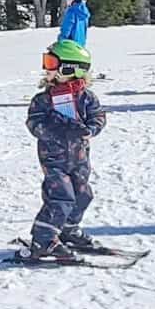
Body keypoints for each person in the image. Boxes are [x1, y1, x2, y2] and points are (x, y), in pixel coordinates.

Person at [25, 39, 106, 262]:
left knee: (83, 195)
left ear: (70, 69)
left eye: (51, 63)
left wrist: (90, 129)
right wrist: (58, 130)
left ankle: (68, 229)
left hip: (79, 158)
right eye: (46, 62)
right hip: (54, 159)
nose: (46, 69)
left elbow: (98, 116)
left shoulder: (87, 98)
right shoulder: (43, 100)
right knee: (61, 197)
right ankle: (43, 240)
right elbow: (34, 123)